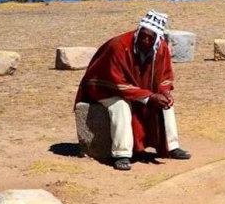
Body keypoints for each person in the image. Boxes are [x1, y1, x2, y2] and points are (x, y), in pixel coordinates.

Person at [74, 11, 191, 170]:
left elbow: (165, 75)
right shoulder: (118, 46)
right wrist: (149, 97)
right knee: (121, 106)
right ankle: (121, 153)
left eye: (150, 37)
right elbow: (116, 82)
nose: (145, 40)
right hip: (105, 88)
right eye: (143, 35)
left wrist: (164, 92)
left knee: (166, 103)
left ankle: (172, 146)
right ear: (138, 31)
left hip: (138, 90)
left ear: (157, 38)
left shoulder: (161, 48)